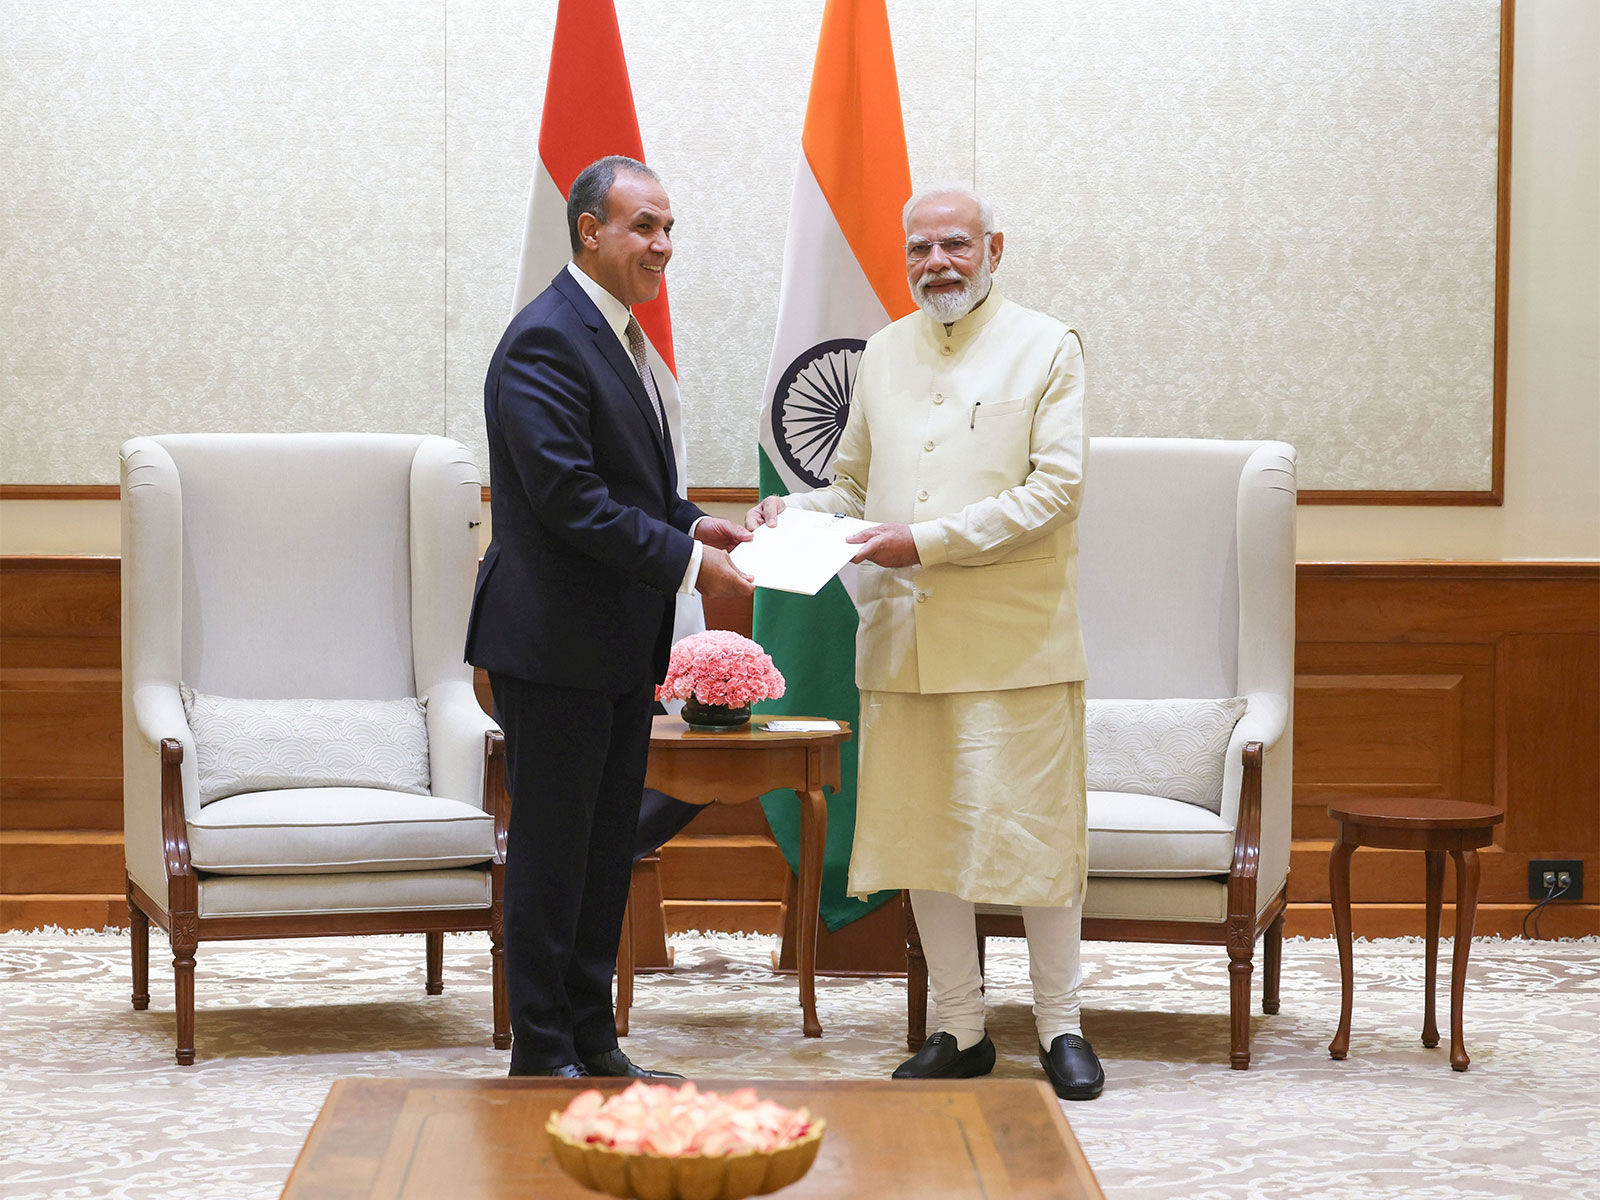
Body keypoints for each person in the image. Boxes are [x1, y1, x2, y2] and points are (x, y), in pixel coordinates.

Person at [746, 185, 1100, 1100]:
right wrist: (799, 509)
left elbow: (1054, 492)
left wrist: (927, 543)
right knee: (927, 839)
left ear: (994, 248)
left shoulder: (1049, 347)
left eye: (955, 244)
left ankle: (1061, 1026)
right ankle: (962, 1025)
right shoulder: (884, 352)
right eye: (920, 249)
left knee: (1032, 839)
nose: (937, 262)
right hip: (902, 642)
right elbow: (856, 490)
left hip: (1013, 643)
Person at [467, 155, 754, 1078]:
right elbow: (570, 502)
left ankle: (595, 1041)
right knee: (555, 859)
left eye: (669, 229)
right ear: (589, 230)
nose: (663, 246)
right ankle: (542, 1052)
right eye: (644, 227)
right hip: (552, 648)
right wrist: (693, 561)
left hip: (618, 648)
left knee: (601, 854)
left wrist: (698, 521)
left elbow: (636, 489)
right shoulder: (547, 337)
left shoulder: (620, 336)